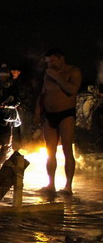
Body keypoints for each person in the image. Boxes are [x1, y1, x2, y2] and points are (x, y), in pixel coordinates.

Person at [34, 48, 82, 193]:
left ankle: (68, 186)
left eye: (52, 61)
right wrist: (37, 112)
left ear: (61, 58)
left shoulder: (73, 71)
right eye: (48, 62)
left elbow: (72, 90)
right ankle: (51, 184)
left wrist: (56, 77)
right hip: (49, 114)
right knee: (50, 151)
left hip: (66, 114)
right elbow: (43, 94)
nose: (50, 65)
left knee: (67, 150)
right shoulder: (48, 74)